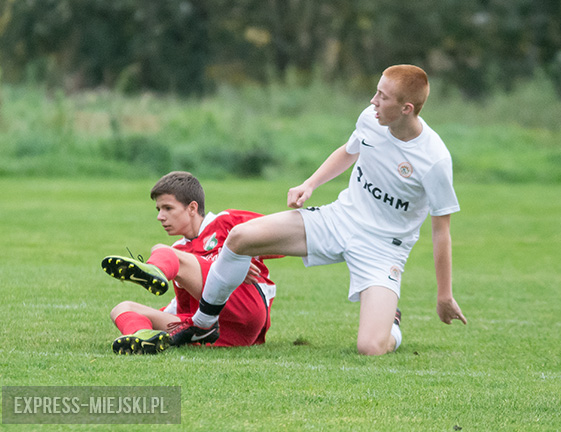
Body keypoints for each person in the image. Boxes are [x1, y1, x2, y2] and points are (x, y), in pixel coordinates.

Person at [167, 64, 467, 355]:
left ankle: (393, 324)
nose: (373, 101)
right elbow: (349, 151)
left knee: (371, 348)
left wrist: (444, 295)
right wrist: (310, 184)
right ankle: (204, 324)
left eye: (383, 97)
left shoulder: (434, 160)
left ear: (407, 109)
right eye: (376, 92)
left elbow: (442, 232)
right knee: (239, 237)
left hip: (383, 249)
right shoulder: (371, 119)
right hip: (339, 220)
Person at [103, 171, 280, 354]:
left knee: (162, 250)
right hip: (213, 331)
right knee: (122, 308)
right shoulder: (178, 251)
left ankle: (154, 270)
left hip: (245, 309)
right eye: (159, 210)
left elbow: (281, 238)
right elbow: (184, 305)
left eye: (168, 208)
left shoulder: (226, 222)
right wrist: (157, 319)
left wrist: (238, 262)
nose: (160, 217)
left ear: (192, 208)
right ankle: (142, 337)